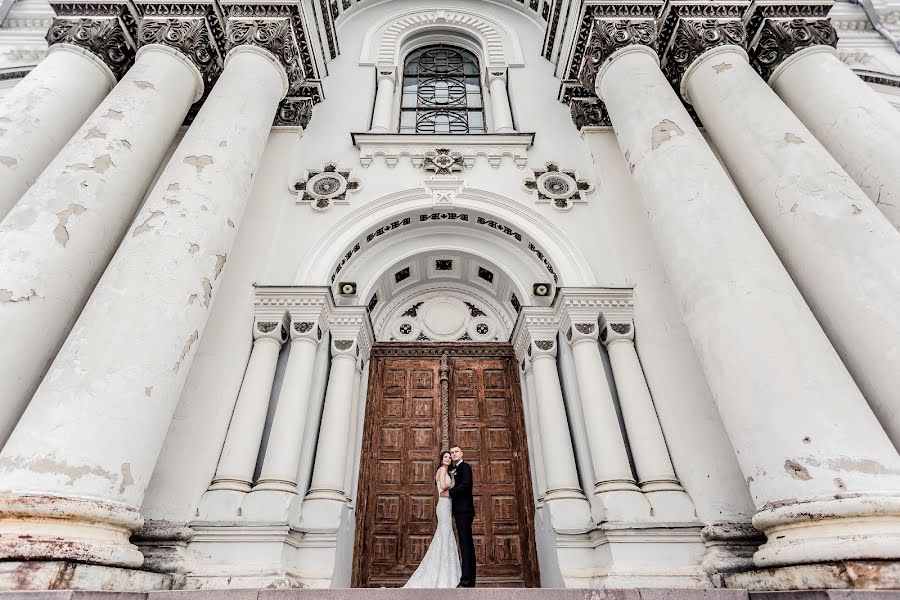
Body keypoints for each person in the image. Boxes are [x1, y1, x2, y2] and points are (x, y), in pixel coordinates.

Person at [402, 450, 462, 588]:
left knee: (446, 534)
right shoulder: (441, 470)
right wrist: (454, 482)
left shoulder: (447, 472)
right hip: (443, 504)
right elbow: (443, 485)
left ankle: (446, 572)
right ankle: (441, 573)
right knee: (445, 532)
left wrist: (452, 479)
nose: (447, 459)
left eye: (449, 457)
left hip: (448, 504)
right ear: (441, 460)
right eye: (445, 457)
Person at [448, 445, 476, 587]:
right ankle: (468, 580)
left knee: (466, 546)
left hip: (464, 511)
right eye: (452, 452)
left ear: (462, 453)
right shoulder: (454, 470)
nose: (453, 454)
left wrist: (449, 493)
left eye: (456, 452)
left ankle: (467, 581)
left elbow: (466, 485)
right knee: (465, 545)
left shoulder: (464, 467)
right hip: (459, 511)